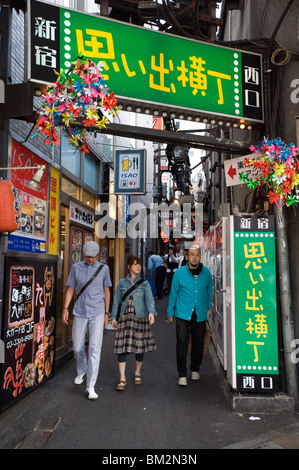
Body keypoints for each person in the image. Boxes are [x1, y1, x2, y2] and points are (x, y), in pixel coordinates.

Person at [62, 241, 112, 400]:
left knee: (95, 349)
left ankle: (90, 385)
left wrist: (106, 314)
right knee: (77, 347)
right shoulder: (76, 268)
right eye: (87, 256)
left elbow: (107, 291)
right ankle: (81, 370)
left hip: (97, 312)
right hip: (80, 311)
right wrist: (65, 308)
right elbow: (70, 288)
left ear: (97, 256)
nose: (90, 259)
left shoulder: (104, 269)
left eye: (93, 257)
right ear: (84, 255)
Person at [167, 246, 213, 386]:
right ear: (186, 257)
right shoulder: (180, 273)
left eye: (197, 255)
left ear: (200, 257)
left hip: (200, 313)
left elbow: (209, 291)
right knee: (182, 343)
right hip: (182, 313)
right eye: (191, 254)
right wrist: (170, 312)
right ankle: (182, 373)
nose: (194, 257)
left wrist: (206, 307)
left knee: (198, 343)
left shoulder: (207, 273)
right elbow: (173, 293)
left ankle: (195, 368)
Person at [111, 255, 157, 391]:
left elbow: (150, 299)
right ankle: (122, 378)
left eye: (139, 264)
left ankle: (137, 372)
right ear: (129, 266)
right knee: (121, 347)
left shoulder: (144, 283)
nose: (138, 267)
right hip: (125, 318)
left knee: (139, 346)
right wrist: (113, 317)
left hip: (140, 317)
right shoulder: (122, 283)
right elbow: (116, 301)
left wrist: (151, 312)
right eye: (135, 264)